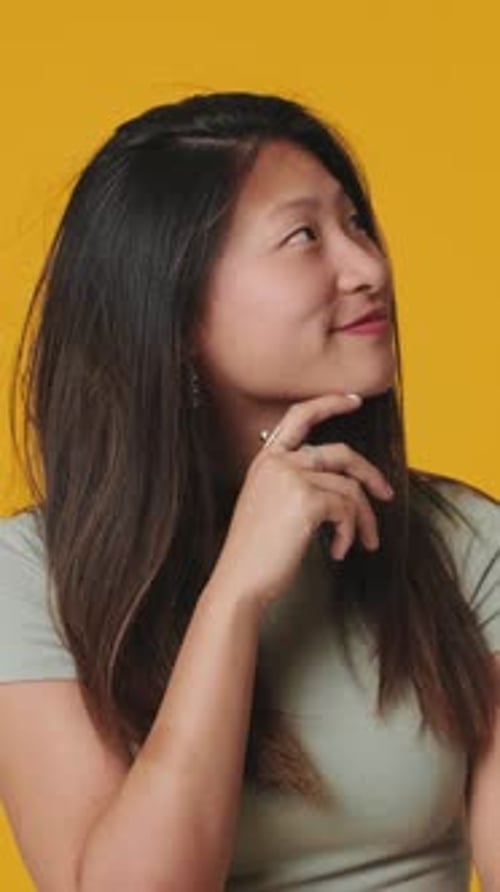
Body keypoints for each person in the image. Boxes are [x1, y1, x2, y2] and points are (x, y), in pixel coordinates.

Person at [0, 92, 499, 892]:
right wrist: (234, 596)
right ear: (175, 313)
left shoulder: (464, 539)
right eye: (304, 235)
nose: (368, 267)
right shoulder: (31, 576)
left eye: (356, 223)